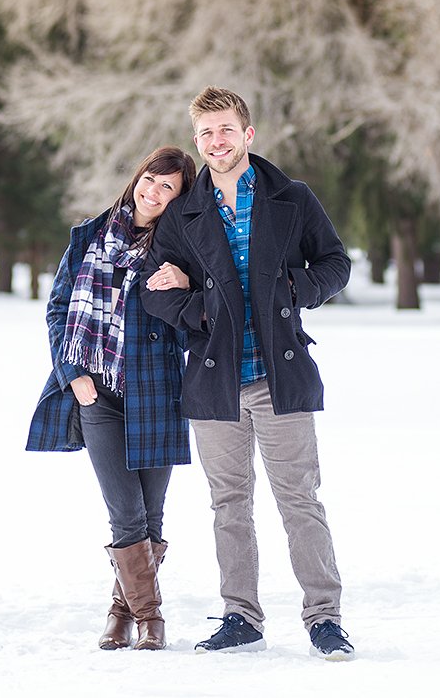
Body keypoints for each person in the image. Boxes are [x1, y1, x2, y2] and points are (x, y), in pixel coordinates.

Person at [141, 86, 355, 660]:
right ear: (197, 140)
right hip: (215, 381)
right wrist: (201, 309)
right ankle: (242, 616)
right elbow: (156, 290)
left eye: (226, 130)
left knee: (300, 500)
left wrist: (296, 288)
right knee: (228, 504)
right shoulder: (184, 213)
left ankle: (324, 618)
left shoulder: (292, 197)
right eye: (206, 133)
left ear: (248, 133)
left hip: (279, 375)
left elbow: (336, 264)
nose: (217, 141)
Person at [27, 146, 197, 651]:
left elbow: (199, 317)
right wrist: (73, 372)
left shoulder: (181, 250)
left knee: (151, 514)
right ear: (137, 176)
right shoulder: (89, 236)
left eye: (168, 187)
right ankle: (151, 619)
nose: (154, 192)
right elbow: (58, 309)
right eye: (151, 179)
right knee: (126, 513)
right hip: (96, 391)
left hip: (158, 391)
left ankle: (120, 614)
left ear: (179, 198)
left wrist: (188, 283)